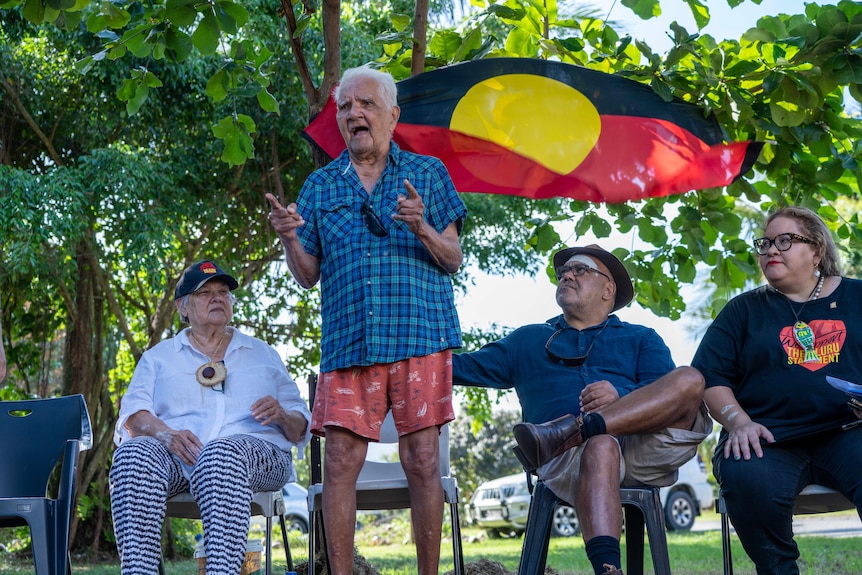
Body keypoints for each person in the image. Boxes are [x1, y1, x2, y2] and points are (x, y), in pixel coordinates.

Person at [265, 65, 467, 575]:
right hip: (349, 342)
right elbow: (307, 274)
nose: (354, 113)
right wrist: (290, 237)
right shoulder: (319, 186)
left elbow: (453, 257)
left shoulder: (427, 173)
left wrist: (422, 226)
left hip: (419, 336)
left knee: (422, 461)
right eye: (345, 107)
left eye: (366, 104)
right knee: (338, 465)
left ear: (392, 115)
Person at [453, 244, 711, 575]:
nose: (567, 275)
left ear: (608, 289)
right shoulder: (527, 340)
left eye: (580, 270)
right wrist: (399, 352)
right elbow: (456, 367)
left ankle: (580, 430)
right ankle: (608, 570)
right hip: (565, 459)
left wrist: (622, 394)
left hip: (642, 448)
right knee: (601, 443)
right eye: (563, 273)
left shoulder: (641, 338)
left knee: (690, 378)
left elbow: (669, 395)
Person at [109, 260, 311, 575]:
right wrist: (167, 434)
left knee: (221, 454)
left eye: (223, 292)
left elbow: (300, 428)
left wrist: (283, 415)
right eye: (205, 293)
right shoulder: (158, 358)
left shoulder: (263, 353)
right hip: (179, 458)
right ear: (182, 307)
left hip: (258, 456)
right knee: (133, 453)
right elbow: (134, 416)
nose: (218, 298)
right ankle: (139, 571)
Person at [691, 206, 862, 575]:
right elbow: (710, 376)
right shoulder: (743, 311)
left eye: (786, 240)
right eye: (766, 242)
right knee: (747, 475)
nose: (772, 249)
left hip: (850, 431)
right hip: (768, 438)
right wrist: (739, 423)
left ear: (816, 250)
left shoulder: (858, 298)